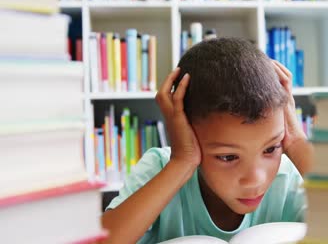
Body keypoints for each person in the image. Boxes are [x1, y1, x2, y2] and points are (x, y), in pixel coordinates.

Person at [101, 37, 314, 243]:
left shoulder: (287, 178)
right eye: (228, 157)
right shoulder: (159, 167)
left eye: (271, 149)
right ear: (185, 131)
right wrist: (182, 162)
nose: (255, 180)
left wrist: (295, 141)